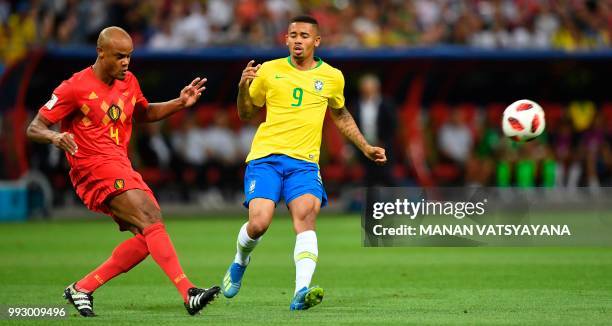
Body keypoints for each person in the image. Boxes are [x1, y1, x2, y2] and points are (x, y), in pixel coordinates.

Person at [26, 26, 219, 317]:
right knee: (151, 219)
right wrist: (55, 137)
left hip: (119, 164)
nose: (125, 63)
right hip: (91, 166)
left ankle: (83, 287)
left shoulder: (128, 81)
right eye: (119, 57)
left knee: (148, 236)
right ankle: (188, 291)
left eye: (128, 56)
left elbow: (142, 113)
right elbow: (34, 127)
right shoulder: (74, 87)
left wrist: (179, 103)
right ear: (100, 53)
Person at [221, 16, 387, 310]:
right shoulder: (269, 71)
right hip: (265, 158)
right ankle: (240, 261)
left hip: (305, 163)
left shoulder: (333, 77)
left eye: (305, 36)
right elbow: (246, 113)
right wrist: (242, 87)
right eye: (293, 35)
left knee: (306, 220)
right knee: (259, 224)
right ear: (285, 39)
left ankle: (301, 291)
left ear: (316, 41)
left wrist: (365, 146)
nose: (298, 40)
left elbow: (340, 114)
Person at [353, 73, 397, 186]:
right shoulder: (357, 105)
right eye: (364, 88)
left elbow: (392, 126)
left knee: (387, 177)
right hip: (365, 148)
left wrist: (383, 142)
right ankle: (370, 203)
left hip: (384, 148)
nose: (366, 91)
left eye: (369, 88)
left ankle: (393, 202)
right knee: (369, 180)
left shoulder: (386, 104)